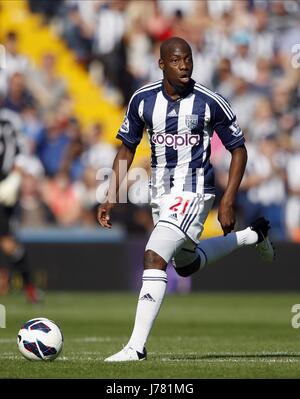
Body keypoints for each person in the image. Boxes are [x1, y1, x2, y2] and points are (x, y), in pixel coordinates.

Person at [97, 37, 275, 362]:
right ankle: (254, 235)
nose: (185, 66)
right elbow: (126, 148)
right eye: (177, 61)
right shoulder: (142, 100)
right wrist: (111, 194)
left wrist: (228, 199)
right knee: (187, 264)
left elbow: (239, 149)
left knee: (154, 256)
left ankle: (135, 347)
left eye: (188, 59)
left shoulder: (209, 102)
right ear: (162, 64)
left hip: (194, 192)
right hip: (160, 195)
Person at [0, 107, 41, 303]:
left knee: (7, 242)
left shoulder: (9, 120)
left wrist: (15, 177)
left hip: (2, 186)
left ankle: (29, 285)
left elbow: (22, 149)